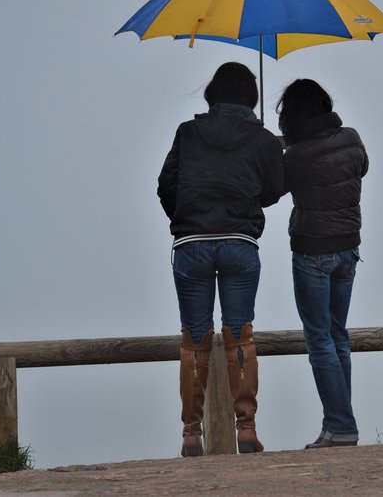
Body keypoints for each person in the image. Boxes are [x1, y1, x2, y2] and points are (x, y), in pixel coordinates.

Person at [157, 62, 283, 456]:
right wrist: (250, 188)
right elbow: (275, 189)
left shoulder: (188, 132)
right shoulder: (261, 138)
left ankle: (191, 434)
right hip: (238, 243)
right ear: (251, 96)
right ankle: (246, 428)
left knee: (193, 340)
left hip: (191, 244)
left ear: (213, 94)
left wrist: (187, 216)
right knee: (239, 336)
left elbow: (166, 186)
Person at [276, 79, 369, 449]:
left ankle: (341, 426)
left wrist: (277, 152)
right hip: (349, 249)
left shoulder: (295, 156)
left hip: (313, 249)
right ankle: (338, 424)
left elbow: (271, 191)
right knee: (338, 336)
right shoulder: (351, 137)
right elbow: (361, 167)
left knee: (319, 341)